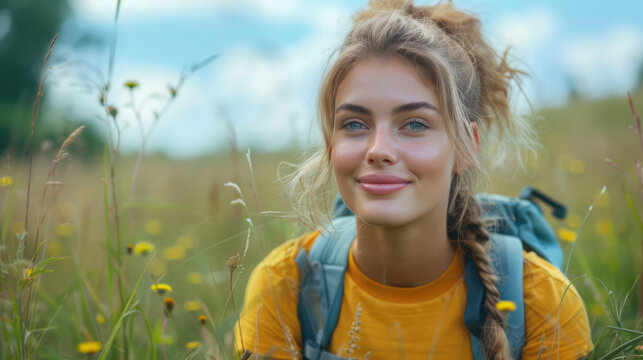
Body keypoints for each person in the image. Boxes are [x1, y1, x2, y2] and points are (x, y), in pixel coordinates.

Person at [235, 1, 593, 359]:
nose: (378, 150)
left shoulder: (541, 300)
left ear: (467, 145)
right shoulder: (283, 285)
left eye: (415, 124)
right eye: (354, 124)